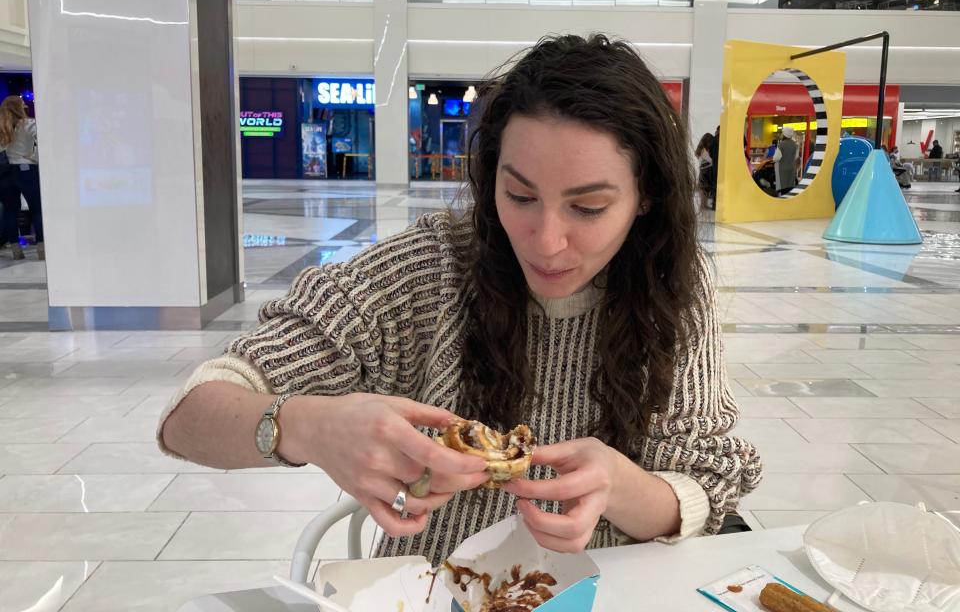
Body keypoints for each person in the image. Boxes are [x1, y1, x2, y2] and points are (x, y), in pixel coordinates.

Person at [158, 34, 762, 566]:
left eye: (588, 207)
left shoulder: (674, 291)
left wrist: (619, 486)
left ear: (646, 198)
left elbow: (707, 485)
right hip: (428, 589)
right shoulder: (428, 269)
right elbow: (188, 418)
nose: (547, 242)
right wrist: (303, 427)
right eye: (520, 196)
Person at [0, 96, 42, 259]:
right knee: (37, 209)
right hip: (26, 169)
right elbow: (42, 142)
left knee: (10, 211)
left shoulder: (2, 125)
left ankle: (16, 251)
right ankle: (41, 250)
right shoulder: (29, 124)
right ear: (19, 107)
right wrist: (34, 157)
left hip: (4, 173)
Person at [773, 126, 799, 195]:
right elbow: (796, 157)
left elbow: (776, 158)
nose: (781, 135)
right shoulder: (795, 145)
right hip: (792, 168)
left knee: (783, 188)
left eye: (782, 133)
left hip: (782, 169)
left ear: (784, 134)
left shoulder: (781, 144)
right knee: (790, 187)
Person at [694, 131, 715, 209]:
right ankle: (703, 206)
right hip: (706, 172)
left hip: (703, 171)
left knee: (703, 190)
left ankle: (703, 206)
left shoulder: (700, 150)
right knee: (704, 189)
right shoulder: (703, 151)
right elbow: (711, 161)